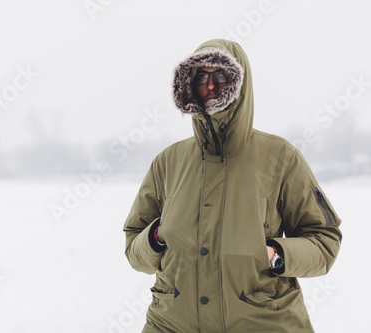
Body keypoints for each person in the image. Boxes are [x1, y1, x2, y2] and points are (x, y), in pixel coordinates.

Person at [123, 39, 342, 332]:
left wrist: (276, 254)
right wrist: (157, 236)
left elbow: (323, 240)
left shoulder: (281, 157)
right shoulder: (168, 162)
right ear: (189, 85)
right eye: (201, 77)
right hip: (172, 323)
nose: (210, 87)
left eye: (221, 77)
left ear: (240, 84)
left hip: (263, 322)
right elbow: (134, 244)